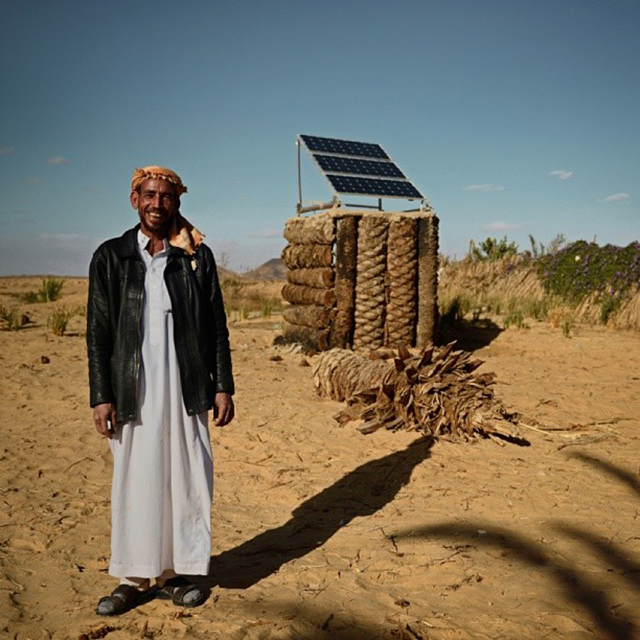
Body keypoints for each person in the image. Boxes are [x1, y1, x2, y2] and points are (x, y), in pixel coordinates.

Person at [87, 165, 234, 616]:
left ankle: (176, 574)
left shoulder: (196, 257)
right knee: (136, 476)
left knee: (186, 475)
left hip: (187, 385)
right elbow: (99, 331)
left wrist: (222, 385)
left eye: (166, 197)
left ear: (177, 202)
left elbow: (216, 327)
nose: (157, 204)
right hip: (133, 387)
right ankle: (133, 577)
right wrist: (101, 394)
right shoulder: (112, 256)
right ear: (134, 200)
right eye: (149, 195)